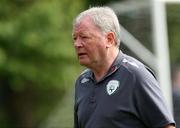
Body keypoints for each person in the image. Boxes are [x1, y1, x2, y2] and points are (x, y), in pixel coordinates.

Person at [72, 6, 176, 128]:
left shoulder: (135, 76)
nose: (77, 44)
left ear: (109, 39)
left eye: (84, 37)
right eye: (75, 38)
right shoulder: (82, 82)